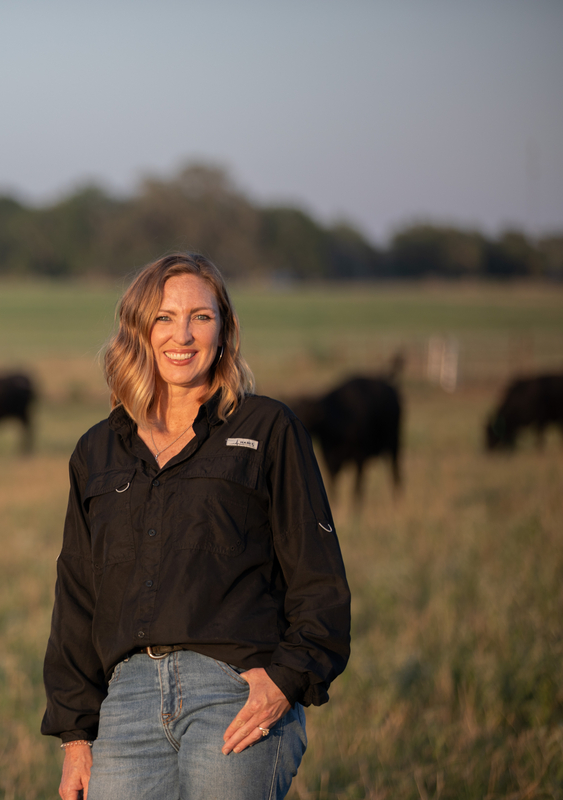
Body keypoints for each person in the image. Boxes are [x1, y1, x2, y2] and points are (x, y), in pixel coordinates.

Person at [41, 253, 350, 799]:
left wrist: (286, 682)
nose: (182, 335)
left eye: (201, 317)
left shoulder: (267, 428)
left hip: (234, 694)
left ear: (225, 329)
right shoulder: (97, 450)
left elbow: (319, 580)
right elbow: (78, 597)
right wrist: (75, 737)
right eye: (164, 317)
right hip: (127, 704)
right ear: (138, 330)